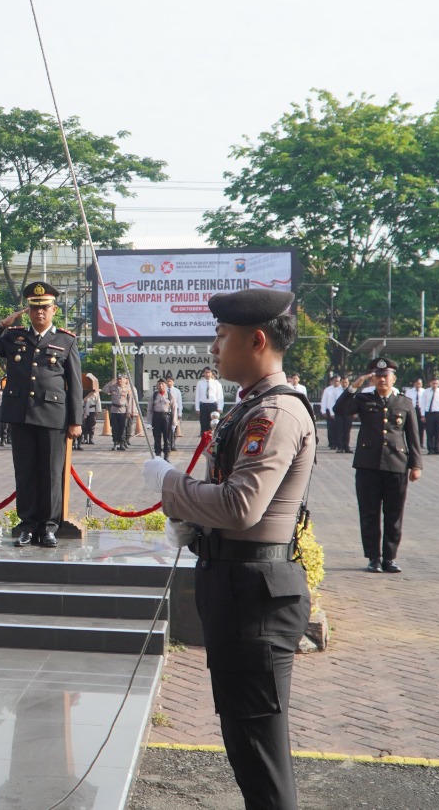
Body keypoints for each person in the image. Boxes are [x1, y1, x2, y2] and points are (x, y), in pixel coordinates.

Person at [140, 287, 314, 810]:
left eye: (221, 336)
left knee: (260, 752)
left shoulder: (274, 414)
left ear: (256, 339)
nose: (213, 348)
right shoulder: (255, 407)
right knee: (246, 743)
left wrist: (171, 484)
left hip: (253, 596)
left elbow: (242, 506)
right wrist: (195, 520)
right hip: (238, 587)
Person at [0, 281, 82, 548]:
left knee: (51, 474)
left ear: (54, 309)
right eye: (34, 309)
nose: (40, 314)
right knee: (25, 472)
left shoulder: (65, 340)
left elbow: (75, 384)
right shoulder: (14, 336)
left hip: (53, 416)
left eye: (45, 308)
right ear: (29, 311)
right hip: (21, 414)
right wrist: (2, 324)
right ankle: (27, 525)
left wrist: (76, 421)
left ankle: (48, 527)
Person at [335, 357, 422, 574]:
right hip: (368, 464)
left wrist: (416, 465)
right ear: (372, 379)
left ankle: (390, 558)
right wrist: (355, 385)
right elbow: (340, 410)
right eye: (378, 377)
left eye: (386, 376)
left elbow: (413, 435)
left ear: (394, 378)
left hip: (396, 464)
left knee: (394, 514)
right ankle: (373, 558)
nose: (382, 380)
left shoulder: (405, 402)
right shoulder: (364, 399)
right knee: (369, 513)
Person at [104, 374, 137, 451]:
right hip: (114, 410)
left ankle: (122, 443)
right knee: (115, 428)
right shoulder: (113, 387)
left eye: (121, 379)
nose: (119, 380)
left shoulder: (128, 389)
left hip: (123, 410)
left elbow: (130, 401)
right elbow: (104, 390)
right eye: (118, 379)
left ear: (125, 380)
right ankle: (115, 443)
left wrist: (129, 412)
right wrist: (111, 382)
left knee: (123, 428)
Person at [150, 378, 177, 460]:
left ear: (165, 385)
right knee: (157, 437)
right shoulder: (154, 396)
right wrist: (149, 422)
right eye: (159, 384)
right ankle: (158, 455)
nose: (161, 386)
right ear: (157, 385)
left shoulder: (170, 395)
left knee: (167, 438)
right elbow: (149, 409)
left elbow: (174, 409)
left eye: (163, 384)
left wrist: (174, 423)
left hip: (166, 418)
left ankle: (166, 456)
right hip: (156, 417)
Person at [420, 376, 439, 455]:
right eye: (433, 383)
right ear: (430, 383)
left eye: (436, 383)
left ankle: (437, 448)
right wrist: (423, 415)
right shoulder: (426, 392)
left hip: (438, 413)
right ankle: (430, 448)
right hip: (429, 413)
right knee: (430, 431)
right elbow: (423, 404)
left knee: (438, 432)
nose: (435, 385)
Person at [79, 373, 100, 450]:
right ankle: (83, 438)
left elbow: (98, 402)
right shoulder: (82, 391)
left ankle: (90, 438)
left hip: (92, 410)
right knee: (83, 425)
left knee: (91, 425)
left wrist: (98, 410)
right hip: (83, 409)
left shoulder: (95, 393)